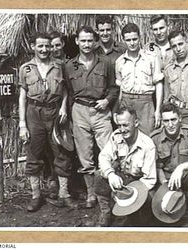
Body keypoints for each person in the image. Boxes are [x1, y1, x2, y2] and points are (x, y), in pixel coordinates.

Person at [18, 32, 75, 212]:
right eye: (40, 46)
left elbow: (65, 91)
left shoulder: (59, 66)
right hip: (34, 113)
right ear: (33, 47)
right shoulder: (26, 69)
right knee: (34, 154)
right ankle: (35, 196)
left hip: (55, 112)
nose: (44, 49)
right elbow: (22, 98)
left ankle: (64, 194)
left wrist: (64, 108)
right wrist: (22, 124)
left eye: (47, 46)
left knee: (61, 152)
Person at [65, 26, 119, 209]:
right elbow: (69, 92)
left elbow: (114, 88)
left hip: (101, 111)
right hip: (79, 110)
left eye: (90, 40)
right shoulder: (69, 66)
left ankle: (111, 192)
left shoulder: (105, 63)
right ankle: (91, 194)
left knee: (108, 151)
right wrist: (71, 114)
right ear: (77, 42)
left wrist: (107, 101)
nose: (87, 44)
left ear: (95, 41)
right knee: (85, 156)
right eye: (83, 41)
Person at [95, 106, 157, 226]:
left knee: (149, 200)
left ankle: (133, 216)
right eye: (119, 125)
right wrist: (111, 174)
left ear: (136, 123)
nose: (122, 129)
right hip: (122, 178)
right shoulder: (116, 136)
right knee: (99, 175)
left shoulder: (148, 145)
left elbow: (149, 180)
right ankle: (106, 213)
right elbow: (103, 157)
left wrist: (130, 194)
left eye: (125, 125)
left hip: (139, 183)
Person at [115, 23, 164, 135]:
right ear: (123, 40)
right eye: (128, 40)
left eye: (134, 39)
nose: (132, 43)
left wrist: (157, 110)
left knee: (148, 136)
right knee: (126, 136)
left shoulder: (151, 58)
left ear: (139, 38)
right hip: (126, 101)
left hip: (145, 103)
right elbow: (120, 89)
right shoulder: (119, 62)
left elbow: (158, 84)